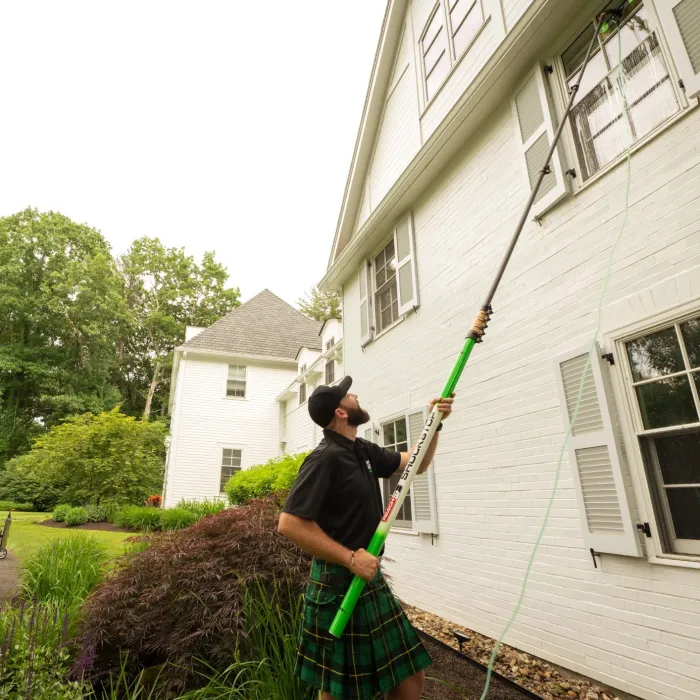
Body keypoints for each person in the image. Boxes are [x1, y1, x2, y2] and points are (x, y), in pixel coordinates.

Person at [278, 375, 455, 700]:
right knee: (339, 689)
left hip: (366, 577)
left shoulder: (361, 450)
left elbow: (415, 464)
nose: (355, 395)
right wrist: (349, 558)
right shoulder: (324, 459)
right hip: (337, 581)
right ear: (341, 412)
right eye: (348, 395)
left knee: (409, 673)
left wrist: (435, 423)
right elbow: (290, 523)